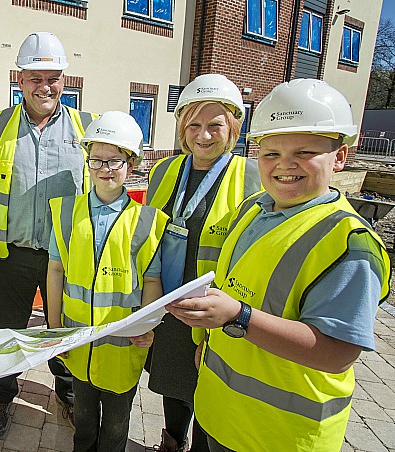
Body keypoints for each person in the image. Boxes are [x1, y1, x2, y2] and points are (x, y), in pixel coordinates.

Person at [166, 79, 391, 451]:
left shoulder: (349, 245)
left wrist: (237, 317)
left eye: (304, 152)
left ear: (340, 156)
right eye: (271, 153)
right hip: (219, 412)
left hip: (279, 434)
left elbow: (336, 352)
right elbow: (235, 287)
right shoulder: (253, 209)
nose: (285, 166)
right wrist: (208, 344)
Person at [0, 31, 97, 436]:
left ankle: (68, 391)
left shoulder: (86, 129)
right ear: (21, 79)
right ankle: (2, 396)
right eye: (36, 78)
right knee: (10, 330)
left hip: (65, 255)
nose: (46, 86)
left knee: (63, 330)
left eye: (54, 78)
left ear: (64, 80)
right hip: (13, 255)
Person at [144, 74, 261, 451]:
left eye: (215, 125)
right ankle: (171, 441)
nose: (203, 135)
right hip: (171, 304)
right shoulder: (164, 171)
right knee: (174, 387)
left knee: (211, 395)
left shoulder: (251, 177)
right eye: (193, 124)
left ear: (234, 127)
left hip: (216, 312)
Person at [48, 111, 167, 452]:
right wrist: (56, 327)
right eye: (96, 160)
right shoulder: (67, 212)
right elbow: (56, 271)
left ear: (132, 164)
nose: (104, 169)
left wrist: (148, 325)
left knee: (115, 428)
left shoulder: (147, 221)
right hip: (79, 343)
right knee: (83, 422)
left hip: (121, 349)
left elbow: (152, 280)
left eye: (114, 160)